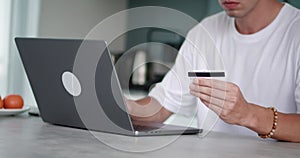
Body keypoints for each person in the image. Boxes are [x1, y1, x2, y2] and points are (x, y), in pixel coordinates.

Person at [126, 0, 300, 142]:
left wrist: (249, 115)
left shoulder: (295, 31)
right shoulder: (204, 32)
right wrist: (123, 108)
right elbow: (164, 104)